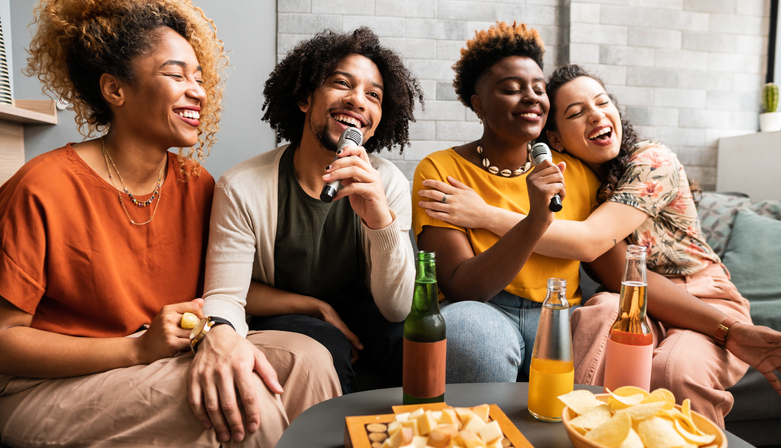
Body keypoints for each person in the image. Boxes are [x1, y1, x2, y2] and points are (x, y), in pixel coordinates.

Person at [0, 1, 339, 447]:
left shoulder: (194, 184)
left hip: (158, 358)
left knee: (308, 359)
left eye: (200, 78)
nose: (198, 91)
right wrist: (137, 349)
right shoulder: (42, 186)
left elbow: (220, 285)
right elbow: (5, 340)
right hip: (45, 386)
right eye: (177, 75)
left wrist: (308, 304)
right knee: (241, 392)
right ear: (114, 90)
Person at [418, 63, 781, 426]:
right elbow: (623, 276)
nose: (595, 116)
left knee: (674, 372)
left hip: (695, 293)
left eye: (602, 102)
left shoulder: (650, 159)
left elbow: (590, 244)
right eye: (576, 112)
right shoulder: (577, 176)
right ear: (555, 138)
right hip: (635, 298)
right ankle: (582, 428)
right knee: (604, 309)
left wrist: (484, 214)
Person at [189, 27, 423, 428]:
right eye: (341, 84)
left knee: (408, 336)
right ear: (303, 98)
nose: (357, 100)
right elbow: (227, 294)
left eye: (374, 95)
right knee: (325, 342)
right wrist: (313, 307)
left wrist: (379, 218)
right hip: (281, 315)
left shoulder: (389, 184)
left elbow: (397, 307)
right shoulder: (243, 186)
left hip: (364, 307)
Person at [412, 21, 582, 385]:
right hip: (483, 309)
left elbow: (608, 254)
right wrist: (535, 221)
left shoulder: (575, 170)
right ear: (479, 104)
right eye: (511, 89)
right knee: (467, 335)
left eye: (539, 89)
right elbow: (462, 286)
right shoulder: (441, 170)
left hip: (562, 312)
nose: (532, 97)